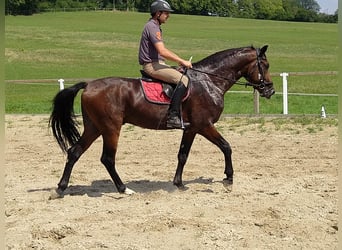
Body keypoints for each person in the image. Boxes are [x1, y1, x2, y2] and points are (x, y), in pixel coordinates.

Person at [138, 0, 192, 129]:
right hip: (152, 65)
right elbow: (162, 51)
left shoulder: (155, 26)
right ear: (158, 13)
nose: (168, 15)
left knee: (180, 74)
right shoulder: (152, 27)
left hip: (158, 63)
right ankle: (173, 117)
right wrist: (182, 61)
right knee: (183, 80)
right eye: (166, 13)